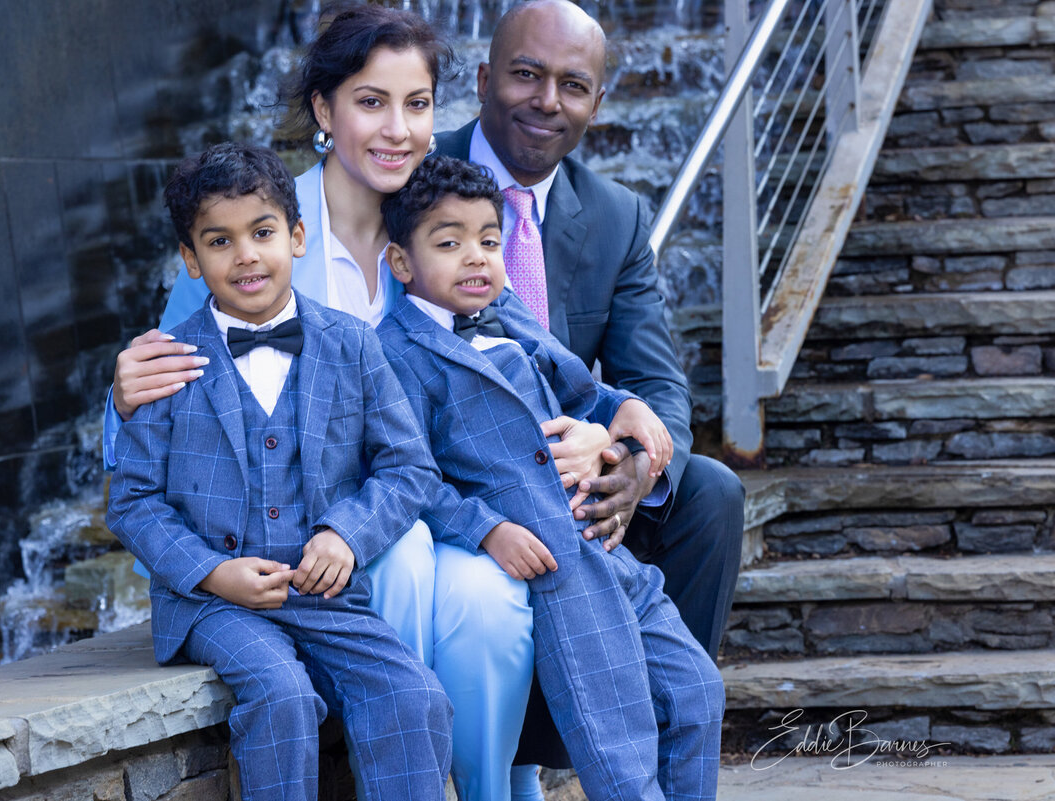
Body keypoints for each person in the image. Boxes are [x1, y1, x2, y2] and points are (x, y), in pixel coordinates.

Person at [102, 7, 633, 800]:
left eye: (417, 104)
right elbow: (166, 395)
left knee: (492, 606)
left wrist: (614, 429)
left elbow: (543, 362)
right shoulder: (258, 230)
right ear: (324, 110)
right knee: (412, 566)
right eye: (370, 102)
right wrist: (118, 391)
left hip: (434, 496)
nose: (398, 129)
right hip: (322, 525)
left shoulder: (439, 221)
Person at [107, 142, 452, 801]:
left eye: (262, 232)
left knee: (413, 694)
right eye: (219, 241)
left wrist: (346, 534)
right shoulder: (167, 363)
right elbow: (134, 501)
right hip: (209, 601)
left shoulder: (351, 343)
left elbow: (409, 465)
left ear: (296, 236)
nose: (245, 256)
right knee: (282, 693)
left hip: (322, 591)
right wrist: (213, 571)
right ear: (190, 258)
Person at [376, 155, 724, 801]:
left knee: (697, 690)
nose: (476, 257)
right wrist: (487, 530)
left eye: (487, 239)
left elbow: (583, 389)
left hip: (605, 548)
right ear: (401, 263)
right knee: (616, 739)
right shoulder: (395, 353)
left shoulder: (510, 318)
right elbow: (407, 472)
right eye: (448, 243)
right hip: (553, 564)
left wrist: (621, 409)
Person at [434, 0, 745, 668]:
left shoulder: (617, 217)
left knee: (710, 493)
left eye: (572, 86)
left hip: (576, 469)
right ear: (484, 78)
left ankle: (663, 731)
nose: (547, 101)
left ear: (597, 104)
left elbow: (656, 380)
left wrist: (633, 464)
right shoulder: (416, 177)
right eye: (526, 74)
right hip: (454, 467)